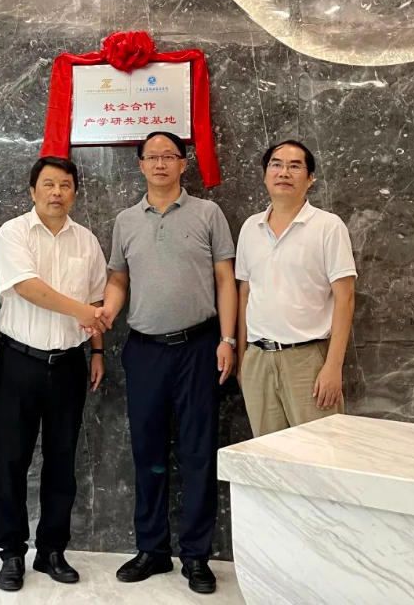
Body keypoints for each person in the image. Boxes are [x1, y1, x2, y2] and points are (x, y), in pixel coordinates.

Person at [95, 131, 237, 595]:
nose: (160, 163)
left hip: (199, 347)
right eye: (152, 156)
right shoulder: (125, 220)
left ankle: (196, 556)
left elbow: (225, 278)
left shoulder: (208, 213)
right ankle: (152, 549)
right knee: (148, 453)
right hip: (145, 351)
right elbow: (119, 278)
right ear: (140, 164)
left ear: (183, 163)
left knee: (198, 452)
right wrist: (107, 311)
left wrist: (228, 339)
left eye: (169, 156)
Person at [0, 156, 108, 592]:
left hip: (69, 364)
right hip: (20, 361)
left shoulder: (87, 241)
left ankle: (52, 550)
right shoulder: (13, 233)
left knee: (62, 460)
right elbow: (27, 287)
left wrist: (98, 350)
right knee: (12, 460)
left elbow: (97, 300)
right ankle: (12, 553)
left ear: (75, 192)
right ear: (32, 191)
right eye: (48, 184)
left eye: (65, 185)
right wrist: (82, 312)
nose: (57, 192)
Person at [235, 140, 357, 437]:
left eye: (294, 166)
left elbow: (345, 298)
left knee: (320, 453)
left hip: (308, 360)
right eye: (276, 165)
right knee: (267, 454)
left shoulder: (328, 226)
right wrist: (243, 362)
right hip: (258, 360)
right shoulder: (250, 227)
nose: (284, 173)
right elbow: (245, 294)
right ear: (265, 174)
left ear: (310, 178)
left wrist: (333, 367)